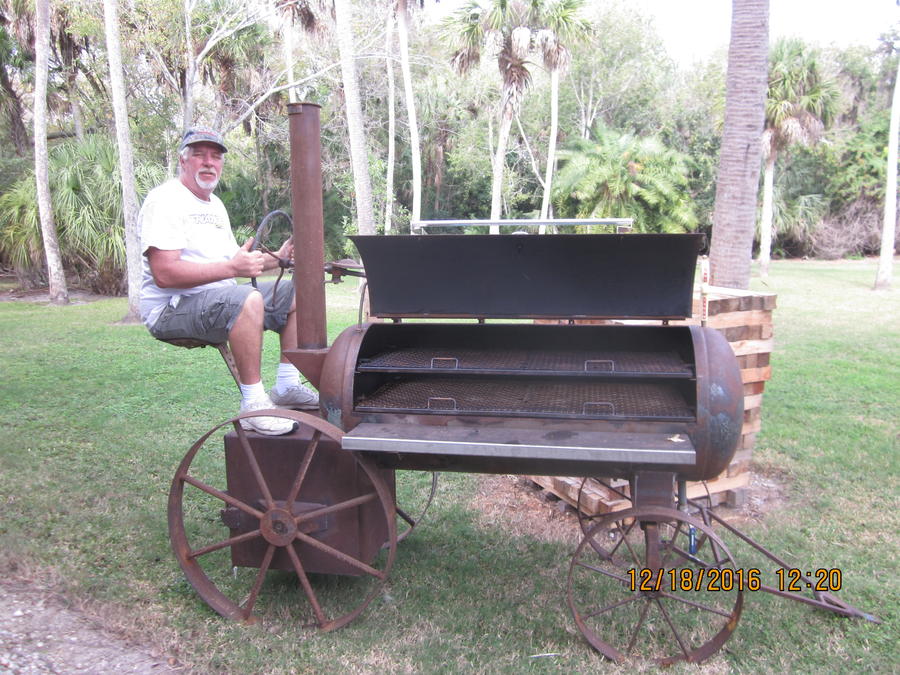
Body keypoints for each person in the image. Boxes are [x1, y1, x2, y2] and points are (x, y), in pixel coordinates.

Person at [139, 126, 318, 436]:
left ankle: (287, 385)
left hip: (218, 299)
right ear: (183, 161)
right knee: (247, 299)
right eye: (199, 155)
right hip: (170, 309)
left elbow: (237, 262)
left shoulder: (215, 206)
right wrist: (232, 269)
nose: (209, 163)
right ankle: (253, 406)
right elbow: (164, 274)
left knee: (296, 292)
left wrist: (278, 258)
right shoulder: (165, 200)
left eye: (215, 157)